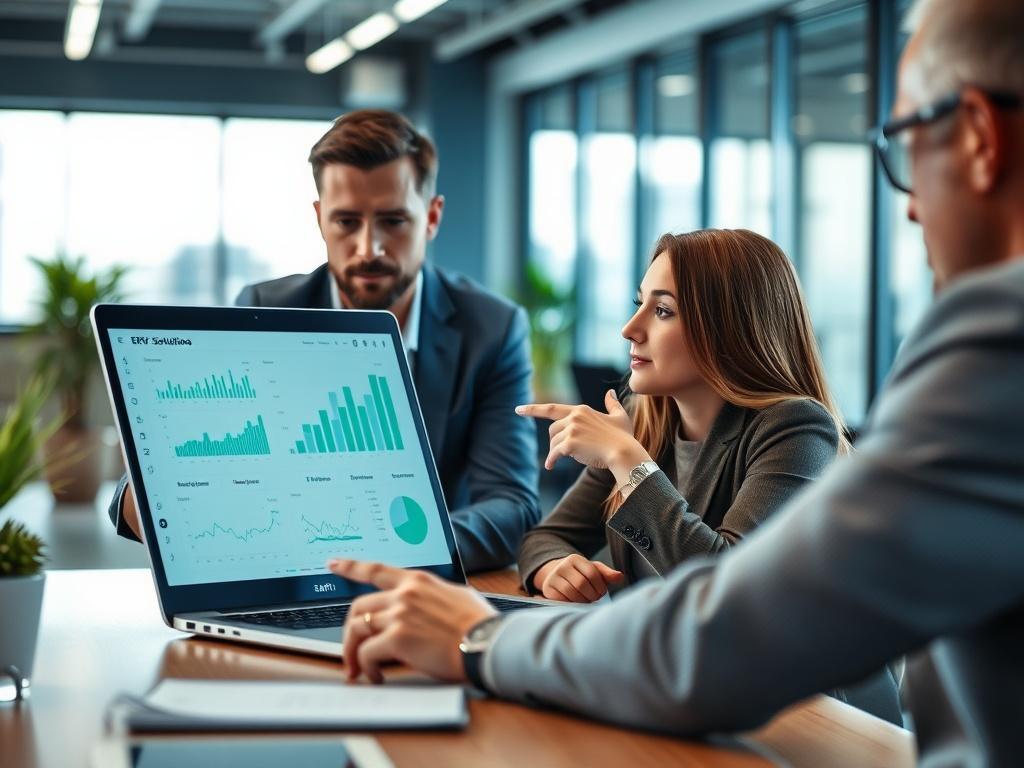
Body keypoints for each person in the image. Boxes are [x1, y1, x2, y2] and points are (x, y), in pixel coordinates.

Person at [326, 0, 1024, 762]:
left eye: (903, 143)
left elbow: (736, 622)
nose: (912, 206)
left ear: (981, 139)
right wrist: (559, 561)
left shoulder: (966, 359)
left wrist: (482, 635)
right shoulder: (651, 417)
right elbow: (551, 534)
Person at [107, 109, 540, 572]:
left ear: (431, 217)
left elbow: (511, 503)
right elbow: (184, 463)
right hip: (284, 582)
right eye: (346, 222)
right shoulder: (264, 310)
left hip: (417, 593)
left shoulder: (492, 328)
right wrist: (149, 496)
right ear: (320, 219)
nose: (368, 248)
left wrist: (393, 554)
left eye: (393, 221)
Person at [517, 229, 847, 603]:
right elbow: (544, 539)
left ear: (729, 330)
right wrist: (554, 569)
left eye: (662, 311)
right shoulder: (641, 422)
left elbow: (724, 590)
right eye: (638, 304)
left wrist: (628, 460)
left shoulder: (797, 428)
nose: (629, 329)